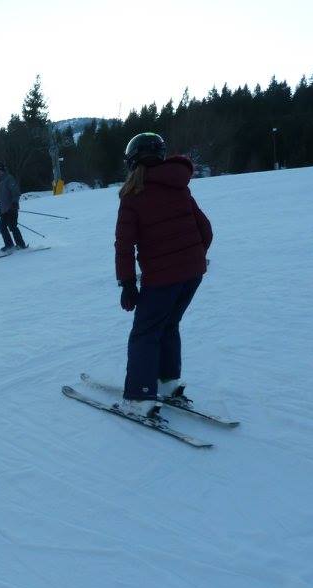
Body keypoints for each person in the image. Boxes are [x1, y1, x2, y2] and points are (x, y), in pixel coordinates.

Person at [115, 132, 213, 418]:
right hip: (192, 274)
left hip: (162, 278)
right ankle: (168, 383)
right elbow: (205, 230)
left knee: (145, 333)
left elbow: (124, 245)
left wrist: (127, 284)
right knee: (168, 324)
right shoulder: (178, 184)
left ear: (132, 161)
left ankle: (139, 397)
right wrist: (191, 257)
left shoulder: (133, 195)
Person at [0, 162, 27, 252]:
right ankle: (9, 245)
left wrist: (14, 203)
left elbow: (16, 192)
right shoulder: (2, 182)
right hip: (4, 210)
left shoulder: (9, 179)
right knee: (2, 226)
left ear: (1, 170)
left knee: (12, 226)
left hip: (12, 209)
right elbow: (2, 198)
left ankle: (21, 245)